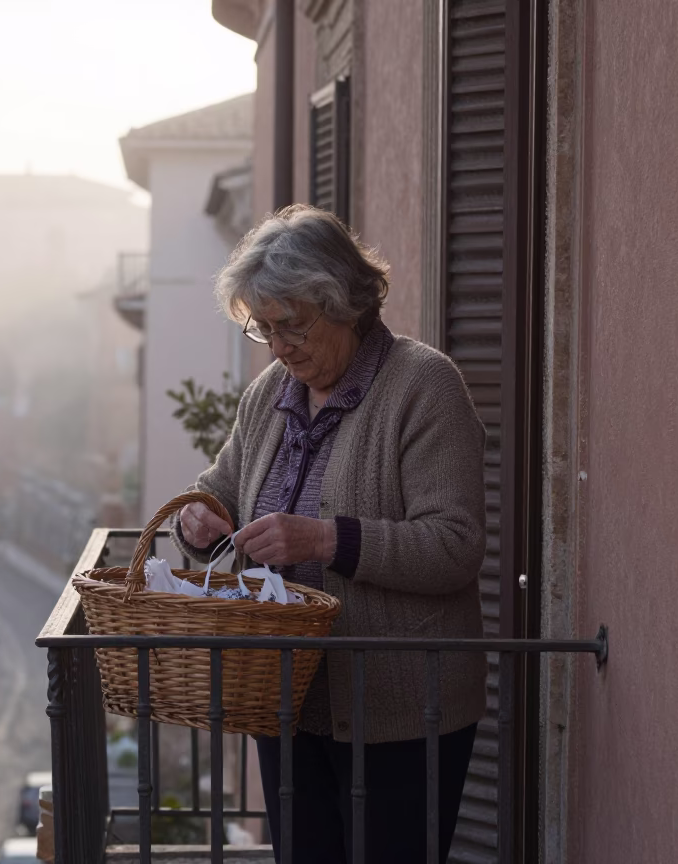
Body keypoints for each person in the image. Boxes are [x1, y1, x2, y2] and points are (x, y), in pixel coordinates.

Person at [171, 205, 487, 864]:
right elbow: (220, 488)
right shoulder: (269, 396)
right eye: (265, 327)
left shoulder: (424, 387)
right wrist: (198, 520)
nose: (281, 346)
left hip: (400, 712)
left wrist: (323, 541)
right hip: (287, 701)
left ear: (343, 303)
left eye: (293, 325)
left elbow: (454, 546)